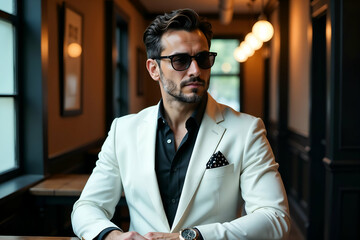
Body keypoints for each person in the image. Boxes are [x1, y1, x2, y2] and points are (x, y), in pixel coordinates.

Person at [71, 8, 290, 240]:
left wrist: (191, 237)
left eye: (203, 59)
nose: (196, 71)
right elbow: (88, 206)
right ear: (154, 69)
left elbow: (275, 217)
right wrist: (112, 236)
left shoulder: (247, 130)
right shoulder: (123, 131)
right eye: (180, 60)